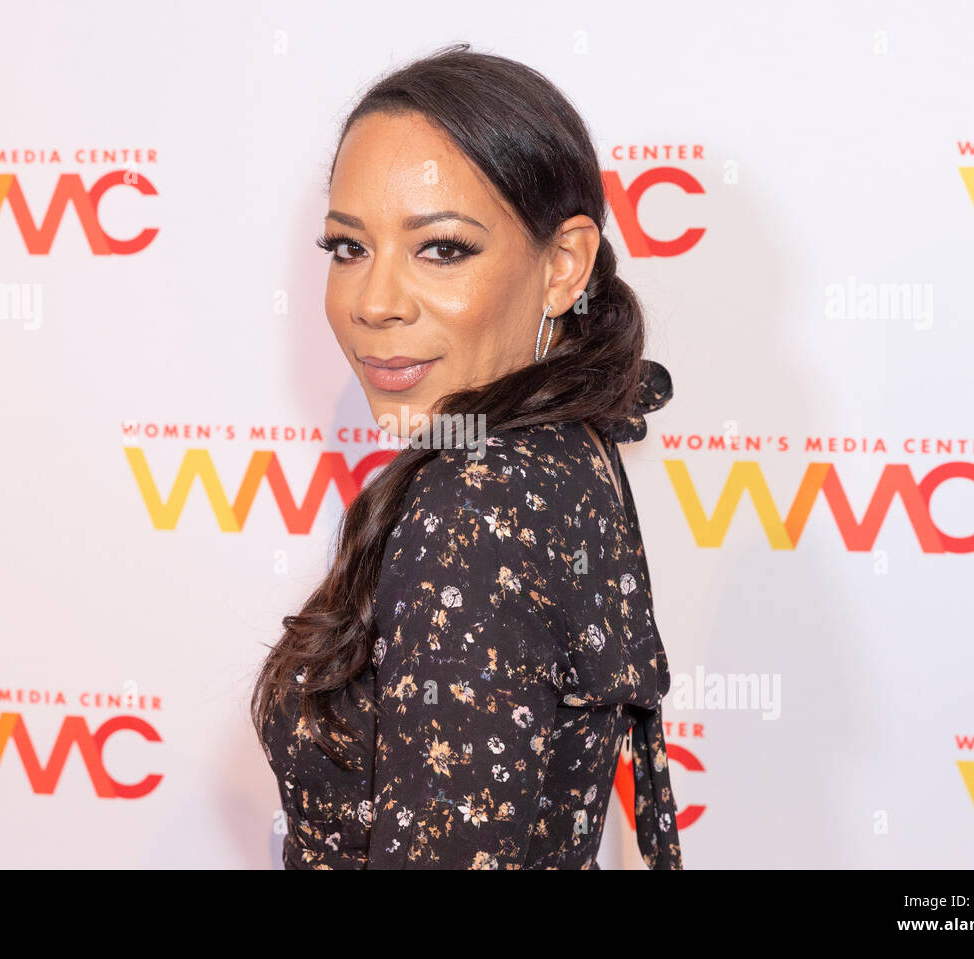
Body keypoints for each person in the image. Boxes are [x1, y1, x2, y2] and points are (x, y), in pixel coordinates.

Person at [251, 42, 683, 870]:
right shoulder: (563, 444)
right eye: (348, 247)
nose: (373, 303)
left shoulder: (477, 502)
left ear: (563, 266)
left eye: (441, 248)